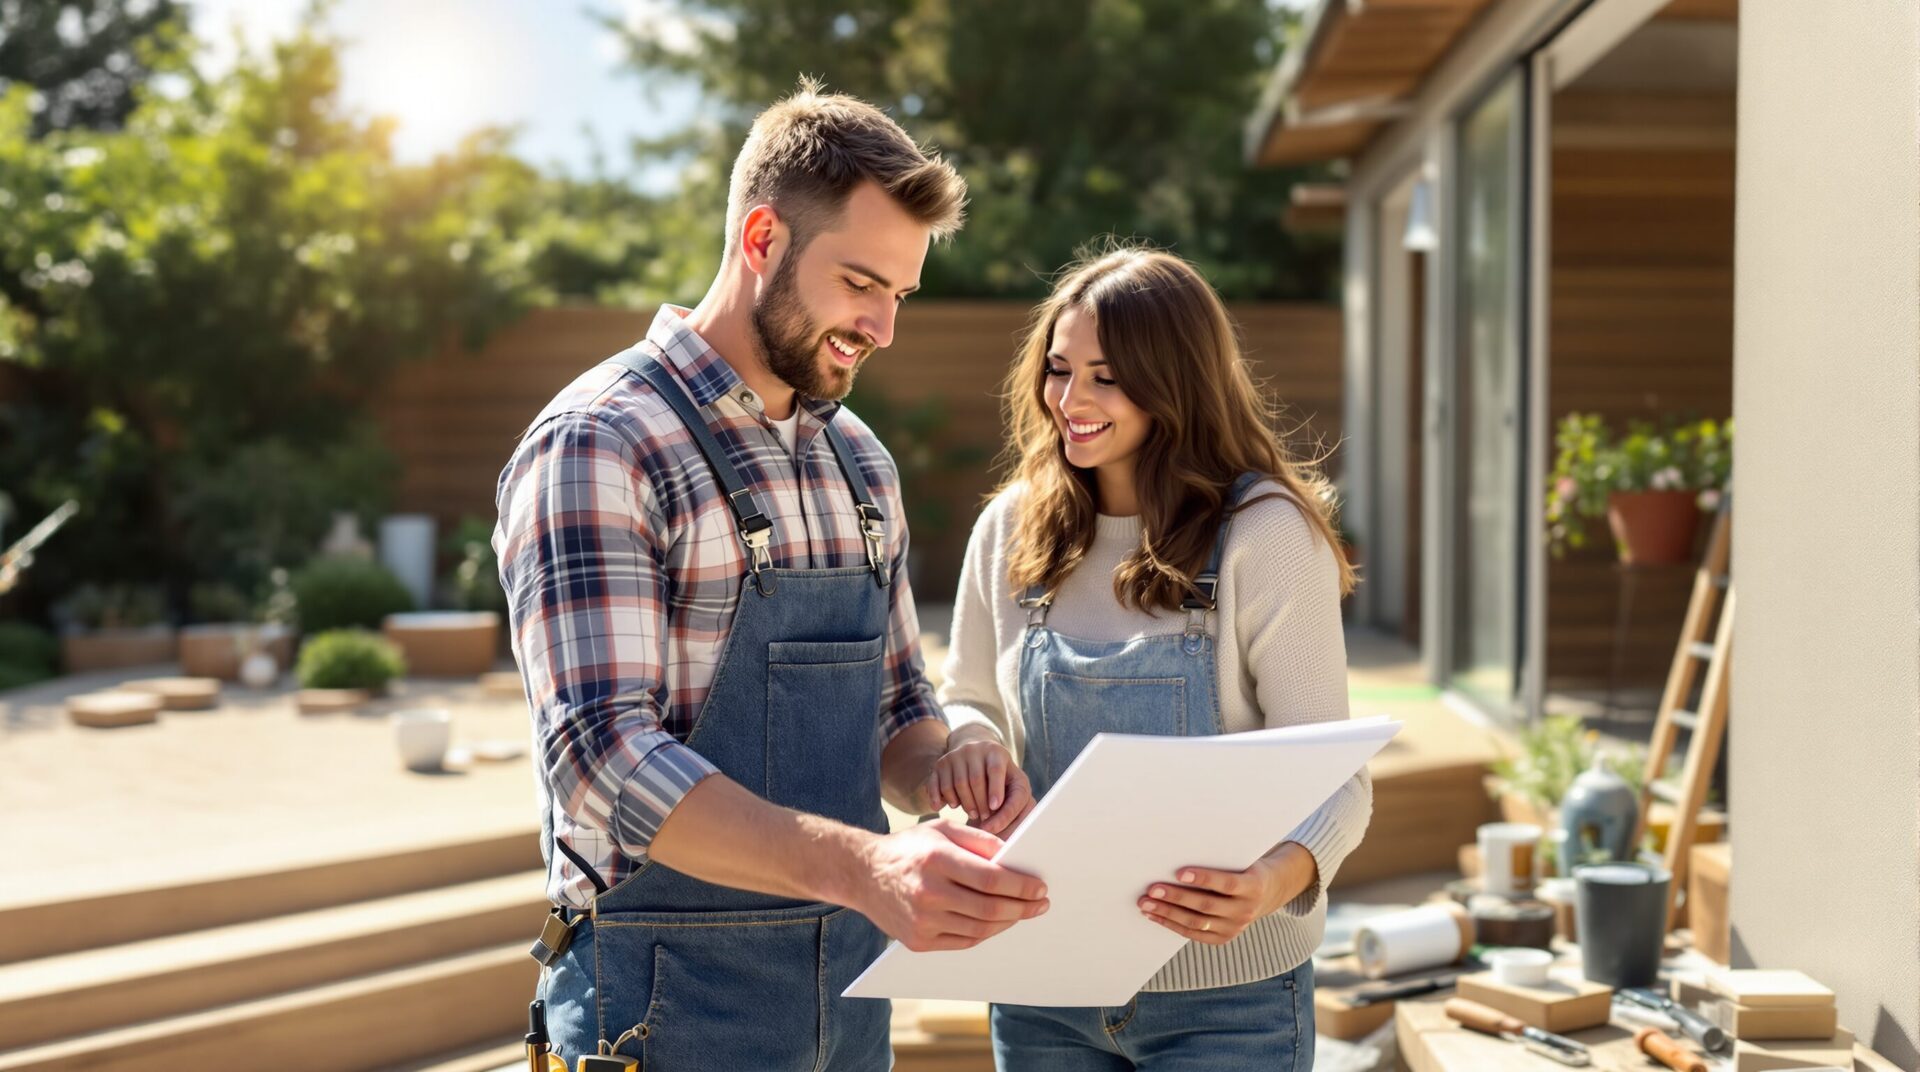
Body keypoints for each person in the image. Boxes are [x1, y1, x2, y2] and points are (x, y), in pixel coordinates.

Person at [493, 80, 1049, 1071]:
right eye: (861, 284)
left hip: (845, 1000)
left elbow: (895, 710)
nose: (884, 327)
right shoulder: (602, 444)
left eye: (900, 295)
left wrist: (950, 770)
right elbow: (602, 760)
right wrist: (872, 866)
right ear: (761, 240)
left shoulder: (862, 464)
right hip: (657, 1007)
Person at [928, 245, 1372, 1071]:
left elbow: (1335, 778)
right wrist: (971, 744)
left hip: (1228, 1004)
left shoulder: (1264, 533)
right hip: (1042, 981)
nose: (1072, 400)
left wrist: (1273, 881)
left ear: (1177, 380)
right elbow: (968, 698)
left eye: (1107, 376)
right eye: (1060, 370)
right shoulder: (1011, 528)